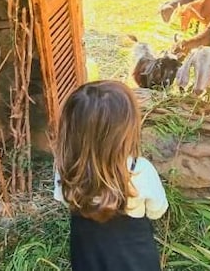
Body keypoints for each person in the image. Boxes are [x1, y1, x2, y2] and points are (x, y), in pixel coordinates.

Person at [53, 80, 169, 271]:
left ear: (71, 129)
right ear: (126, 131)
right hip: (135, 262)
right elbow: (158, 210)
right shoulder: (140, 170)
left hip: (88, 259)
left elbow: (65, 201)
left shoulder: (66, 168)